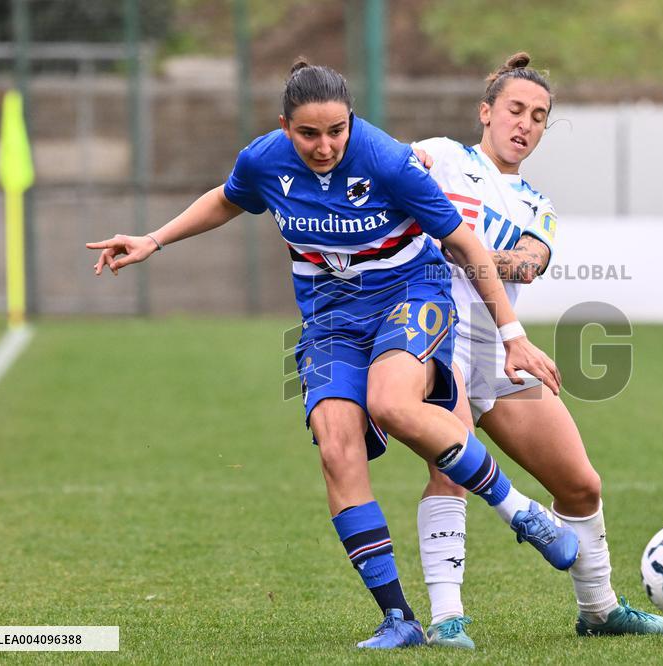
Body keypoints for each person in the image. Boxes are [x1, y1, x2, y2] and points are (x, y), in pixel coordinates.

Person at [86, 59, 577, 650]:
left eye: (336, 131)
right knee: (336, 445)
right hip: (329, 318)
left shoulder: (387, 160)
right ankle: (399, 619)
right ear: (284, 128)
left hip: (409, 294)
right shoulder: (264, 159)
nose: (324, 146)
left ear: (353, 121)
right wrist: (154, 239)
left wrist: (512, 333)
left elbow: (463, 241)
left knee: (392, 403)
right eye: (309, 134)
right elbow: (227, 198)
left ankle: (521, 512)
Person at [410, 53, 663, 649]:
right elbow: (394, 179)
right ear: (485, 112)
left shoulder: (538, 203)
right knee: (449, 470)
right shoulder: (444, 158)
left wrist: (467, 251)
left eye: (538, 116)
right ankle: (447, 620)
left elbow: (529, 263)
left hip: (503, 351)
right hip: (436, 335)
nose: (526, 125)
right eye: (515, 110)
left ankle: (600, 609)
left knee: (581, 484)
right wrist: (412, 168)